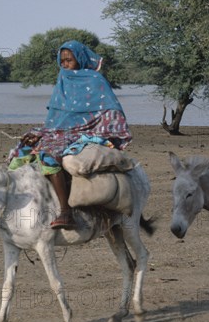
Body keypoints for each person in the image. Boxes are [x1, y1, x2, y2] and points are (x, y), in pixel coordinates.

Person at [8, 40, 132, 230]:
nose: (65, 65)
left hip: (86, 131)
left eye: (69, 60)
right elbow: (57, 116)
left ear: (80, 59)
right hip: (59, 130)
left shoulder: (94, 79)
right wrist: (42, 133)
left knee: (49, 156)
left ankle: (65, 212)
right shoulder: (62, 80)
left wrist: (98, 130)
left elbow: (110, 108)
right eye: (62, 61)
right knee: (22, 149)